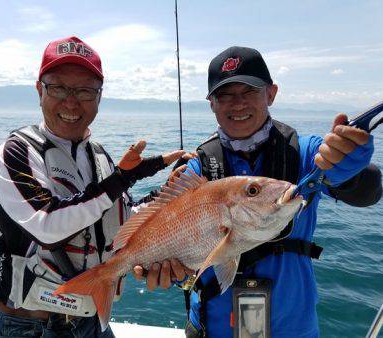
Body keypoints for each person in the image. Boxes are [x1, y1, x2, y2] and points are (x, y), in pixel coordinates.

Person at [137, 46, 382, 338]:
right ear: (212, 104)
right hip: (212, 329)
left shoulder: (305, 152)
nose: (237, 103)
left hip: (292, 329)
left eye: (250, 90)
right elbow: (182, 249)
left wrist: (349, 162)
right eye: (225, 94)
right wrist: (174, 274)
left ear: (271, 93)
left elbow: (366, 191)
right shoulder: (196, 170)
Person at [0, 36, 185, 338]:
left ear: (99, 98)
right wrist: (122, 178)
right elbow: (46, 224)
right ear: (40, 91)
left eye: (85, 91)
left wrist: (167, 196)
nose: (71, 101)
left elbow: (122, 218)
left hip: (91, 323)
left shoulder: (100, 156)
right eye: (58, 87)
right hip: (27, 326)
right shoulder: (17, 151)